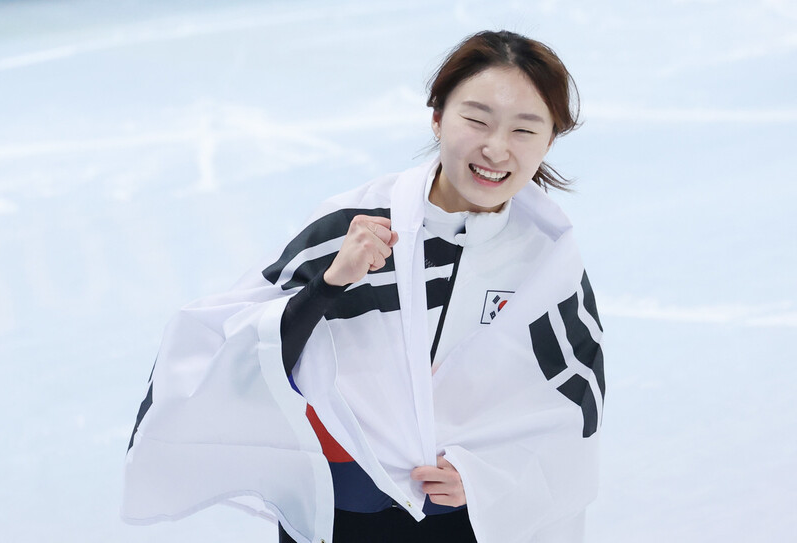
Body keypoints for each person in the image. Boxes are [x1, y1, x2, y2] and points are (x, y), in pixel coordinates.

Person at [122, 30, 605, 543]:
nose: (496, 148)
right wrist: (329, 284)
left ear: (549, 141)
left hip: (459, 523)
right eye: (477, 120)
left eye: (524, 130)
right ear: (437, 117)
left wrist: (487, 478)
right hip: (339, 515)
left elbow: (570, 410)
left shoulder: (545, 262)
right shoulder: (353, 225)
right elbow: (236, 356)